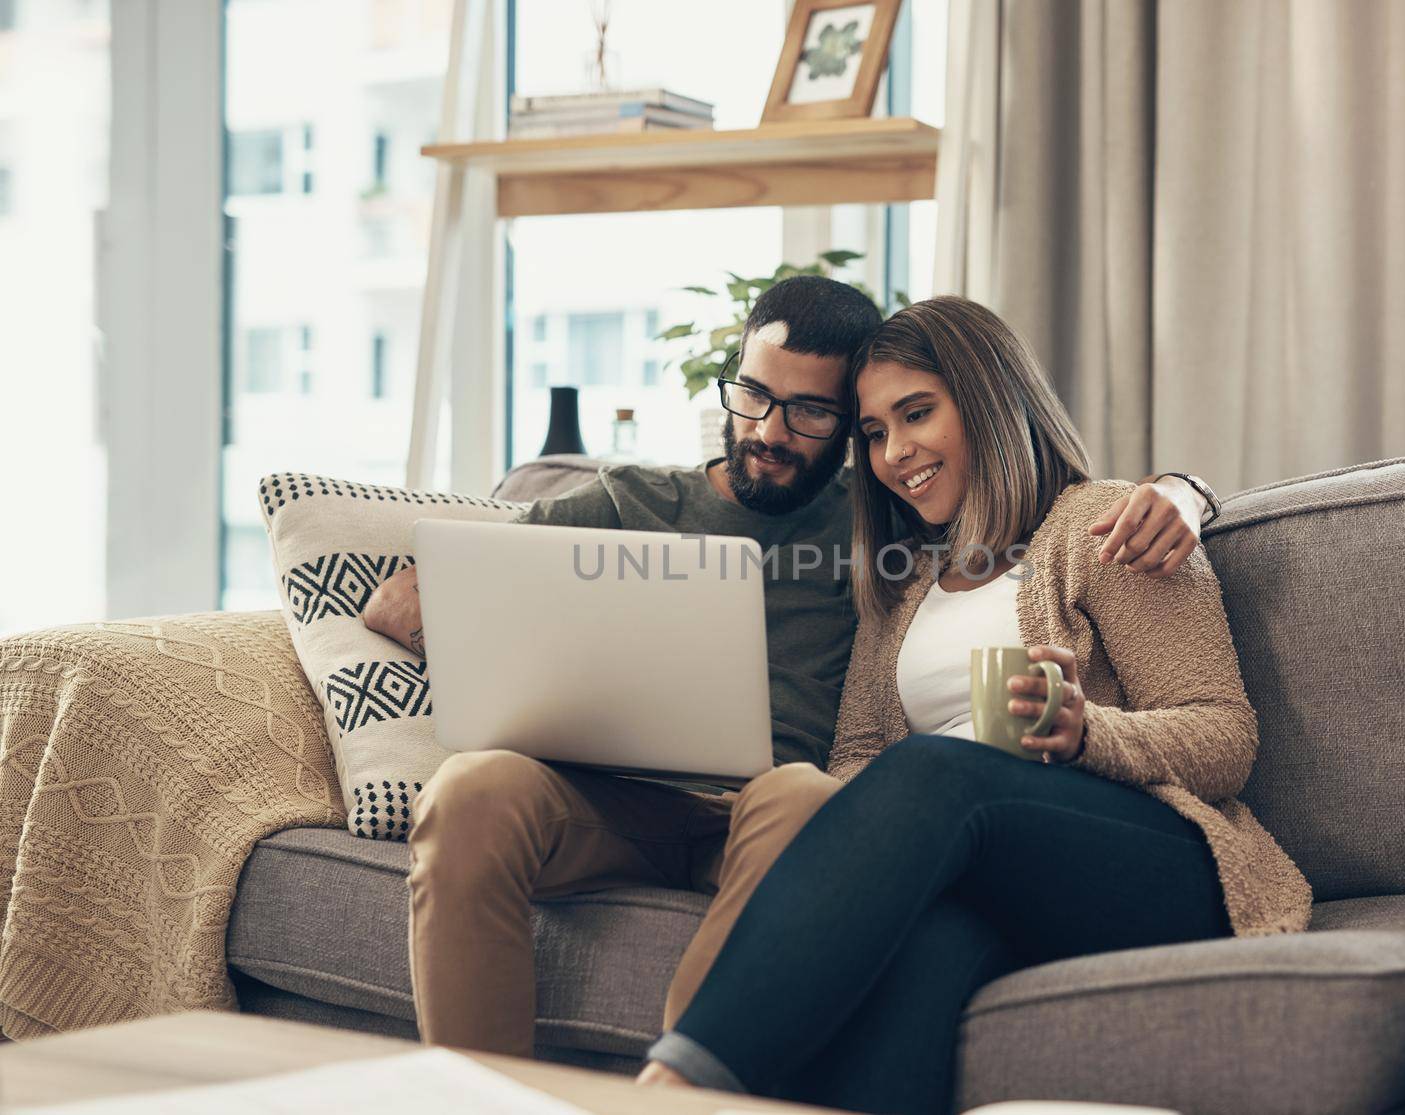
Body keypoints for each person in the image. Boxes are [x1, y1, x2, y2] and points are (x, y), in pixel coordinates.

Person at [359, 276, 1219, 1060]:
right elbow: (411, 596)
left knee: (803, 792)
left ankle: (689, 1077)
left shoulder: (882, 534)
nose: (769, 432)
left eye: (811, 413)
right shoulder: (631, 502)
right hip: (608, 798)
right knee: (469, 789)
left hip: (784, 808)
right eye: (755, 395)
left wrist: (1187, 490)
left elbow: (1049, 508)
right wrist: (486, 627)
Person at [638, 296, 1313, 1114]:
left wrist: (1083, 732)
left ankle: (676, 1085)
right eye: (876, 432)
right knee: (920, 948)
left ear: (989, 398)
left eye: (917, 413)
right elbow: (855, 754)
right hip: (990, 868)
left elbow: (1223, 732)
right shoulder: (902, 580)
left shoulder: (1103, 525)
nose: (895, 452)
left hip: (1157, 859)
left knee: (938, 772)